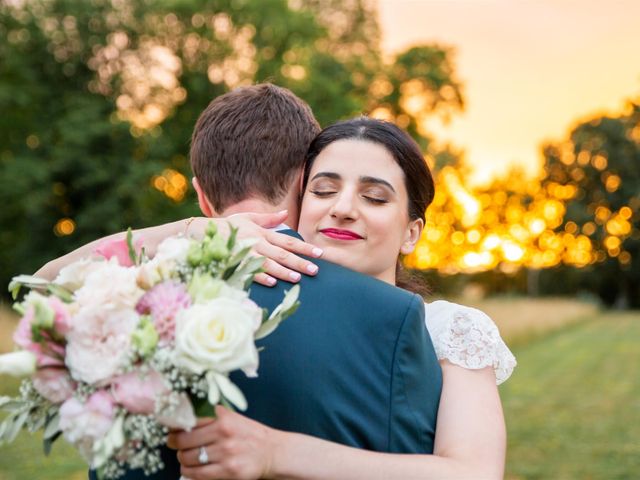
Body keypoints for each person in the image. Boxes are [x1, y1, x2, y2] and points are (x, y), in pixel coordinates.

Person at [61, 84, 441, 479]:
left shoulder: (120, 300)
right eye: (326, 188)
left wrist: (190, 231)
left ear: (202, 197)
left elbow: (38, 287)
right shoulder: (393, 315)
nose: (342, 207)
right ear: (303, 184)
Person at [167, 117, 516, 479]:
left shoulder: (450, 327)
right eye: (323, 191)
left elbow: (475, 473)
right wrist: (196, 229)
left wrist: (275, 452)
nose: (344, 207)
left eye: (374, 197)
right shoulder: (230, 303)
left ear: (411, 233)